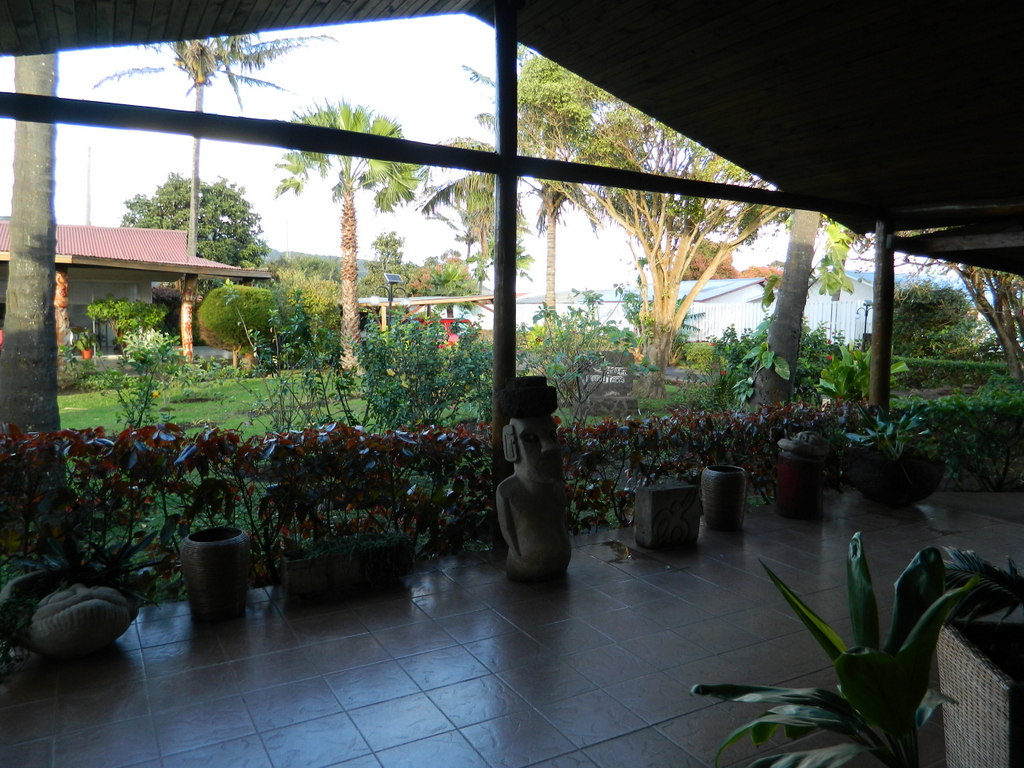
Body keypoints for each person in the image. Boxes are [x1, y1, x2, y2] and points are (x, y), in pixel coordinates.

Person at [496, 377, 571, 582]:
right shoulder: (508, 491)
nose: (550, 448)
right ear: (510, 444)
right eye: (531, 439)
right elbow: (509, 533)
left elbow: (562, 523)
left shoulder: (557, 487)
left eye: (552, 436)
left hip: (560, 562)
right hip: (524, 567)